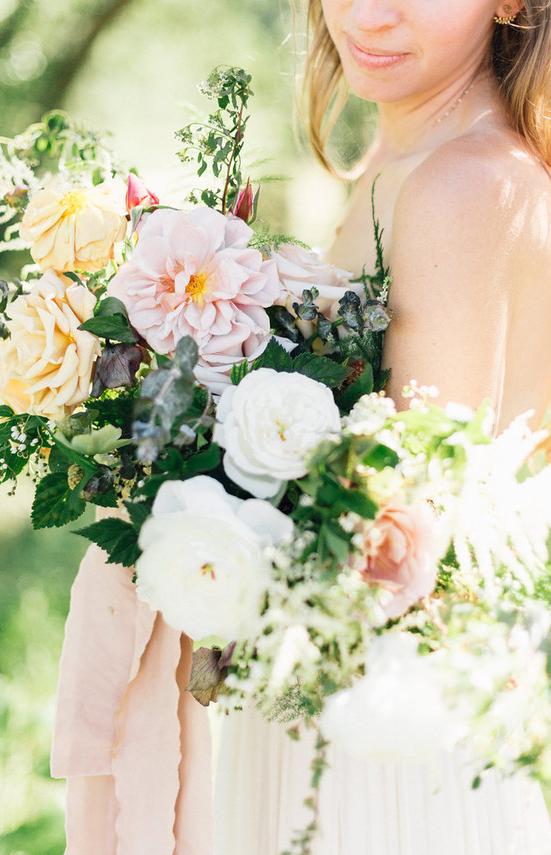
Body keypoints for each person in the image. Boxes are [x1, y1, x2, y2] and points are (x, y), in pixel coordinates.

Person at [213, 0, 551, 853]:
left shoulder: (465, 185)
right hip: (337, 693)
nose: (368, 12)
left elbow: (394, 514)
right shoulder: (398, 159)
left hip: (391, 737)